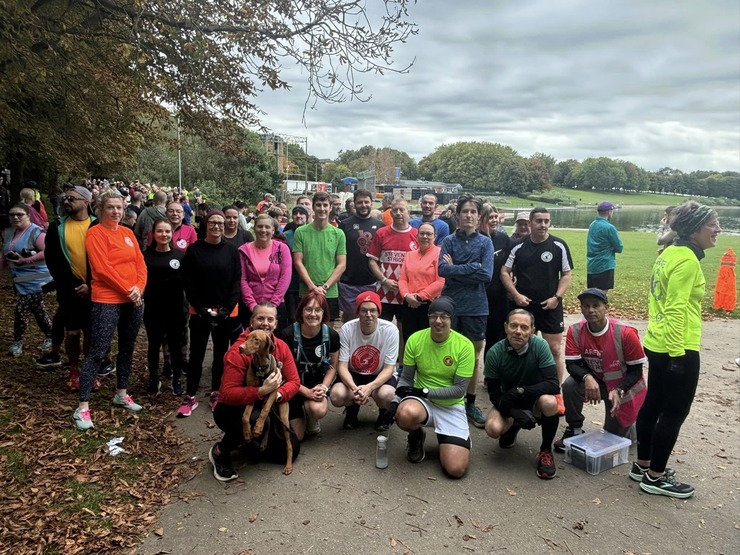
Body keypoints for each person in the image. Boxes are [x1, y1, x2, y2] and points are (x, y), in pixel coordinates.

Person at [634, 201, 721, 498]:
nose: (718, 229)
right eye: (713, 224)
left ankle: (641, 465)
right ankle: (655, 477)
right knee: (673, 412)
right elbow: (675, 309)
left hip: (657, 342)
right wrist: (677, 357)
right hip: (677, 346)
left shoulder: (668, 253)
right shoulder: (685, 260)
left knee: (653, 403)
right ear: (695, 229)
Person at [72, 189, 147, 430]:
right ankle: (82, 407)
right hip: (107, 299)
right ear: (101, 209)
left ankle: (121, 392)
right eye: (111, 207)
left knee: (127, 347)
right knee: (99, 350)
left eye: (120, 208)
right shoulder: (96, 234)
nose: (116, 211)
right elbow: (102, 269)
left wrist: (138, 289)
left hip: (133, 299)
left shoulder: (127, 233)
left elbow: (140, 263)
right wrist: (128, 289)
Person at [209, 303, 301, 482]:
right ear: (251, 322)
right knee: (255, 421)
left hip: (267, 404)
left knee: (291, 450)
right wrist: (261, 391)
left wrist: (277, 393)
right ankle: (221, 451)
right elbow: (226, 394)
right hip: (232, 409)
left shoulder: (280, 346)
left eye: (270, 319)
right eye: (260, 318)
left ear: (275, 324)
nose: (265, 323)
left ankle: (248, 443)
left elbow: (294, 382)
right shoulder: (238, 352)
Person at [383, 297, 474, 478]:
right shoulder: (416, 339)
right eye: (433, 316)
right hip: (422, 402)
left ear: (451, 319)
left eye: (444, 317)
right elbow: (406, 379)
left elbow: (459, 391)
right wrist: (394, 404)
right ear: (428, 317)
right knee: (404, 413)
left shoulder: (465, 346)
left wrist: (424, 391)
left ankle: (450, 439)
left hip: (450, 405)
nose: (438, 321)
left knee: (456, 469)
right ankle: (416, 436)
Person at [554, 288, 647, 452]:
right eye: (586, 306)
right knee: (570, 385)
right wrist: (587, 378)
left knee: (619, 441)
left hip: (622, 387)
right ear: (581, 308)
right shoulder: (575, 330)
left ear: (607, 308)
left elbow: (636, 371)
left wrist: (620, 390)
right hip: (597, 382)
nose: (590, 310)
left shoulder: (625, 333)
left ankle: (634, 422)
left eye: (596, 305)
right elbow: (572, 365)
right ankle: (574, 429)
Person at [483, 309, 560, 479]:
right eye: (514, 326)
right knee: (492, 428)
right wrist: (514, 413)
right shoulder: (495, 353)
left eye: (524, 327)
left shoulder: (540, 346)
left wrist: (521, 391)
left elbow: (553, 385)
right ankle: (513, 425)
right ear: (505, 327)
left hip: (534, 400)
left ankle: (546, 451)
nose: (518, 331)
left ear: (532, 331)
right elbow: (494, 395)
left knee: (550, 402)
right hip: (507, 402)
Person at [179, 209, 242, 417]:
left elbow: (236, 281)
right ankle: (190, 395)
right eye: (213, 223)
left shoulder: (232, 251)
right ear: (205, 225)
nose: (217, 227)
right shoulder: (194, 250)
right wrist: (201, 308)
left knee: (220, 355)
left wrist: (226, 309)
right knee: (196, 355)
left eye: (220, 223)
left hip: (225, 312)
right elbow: (189, 283)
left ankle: (216, 391)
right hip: (199, 312)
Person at [501, 207, 573, 388]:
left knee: (554, 349)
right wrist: (516, 295)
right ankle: (521, 387)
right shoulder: (518, 246)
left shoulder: (559, 245)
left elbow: (566, 274)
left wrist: (557, 297)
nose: (543, 225)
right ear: (531, 223)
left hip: (551, 304)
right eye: (539, 221)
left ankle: (555, 391)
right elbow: (504, 271)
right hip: (524, 306)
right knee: (521, 348)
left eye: (546, 221)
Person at [438, 195, 493, 429]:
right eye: (465, 211)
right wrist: (471, 267)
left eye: (473, 212)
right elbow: (442, 269)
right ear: (458, 215)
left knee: (472, 357)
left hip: (476, 306)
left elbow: (486, 275)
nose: (469, 215)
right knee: (446, 353)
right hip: (451, 305)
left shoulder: (486, 243)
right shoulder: (449, 241)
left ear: (478, 217)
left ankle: (469, 402)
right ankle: (448, 399)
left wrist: (456, 269)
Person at [41, 187, 96, 388]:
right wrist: (71, 284)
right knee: (72, 333)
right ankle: (74, 371)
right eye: (65, 198)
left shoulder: (98, 225)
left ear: (86, 201)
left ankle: (89, 371)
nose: (66, 201)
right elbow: (52, 259)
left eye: (71, 198)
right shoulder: (57, 227)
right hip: (69, 290)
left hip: (95, 289)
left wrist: (90, 285)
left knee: (91, 333)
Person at [330, 292, 398, 431]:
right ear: (357, 312)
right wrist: (356, 389)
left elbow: (389, 368)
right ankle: (351, 410)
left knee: (388, 395)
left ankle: (383, 414)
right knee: (337, 395)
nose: (368, 314)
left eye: (372, 310)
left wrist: (370, 388)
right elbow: (342, 366)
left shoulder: (390, 330)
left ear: (378, 312)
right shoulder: (347, 329)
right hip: (354, 373)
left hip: (379, 373)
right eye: (364, 310)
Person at [276, 292, 339, 440]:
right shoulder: (287, 335)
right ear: (301, 311)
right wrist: (305, 392)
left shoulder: (332, 335)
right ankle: (299, 414)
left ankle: (311, 416)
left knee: (318, 410)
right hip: (291, 386)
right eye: (308, 309)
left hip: (316, 385)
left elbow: (333, 366)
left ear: (324, 313)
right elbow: (283, 372)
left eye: (318, 310)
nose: (313, 314)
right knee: (297, 437)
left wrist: (323, 387)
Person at [1, 203, 53, 357]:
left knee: (21, 310)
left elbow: (48, 251)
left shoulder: (37, 232)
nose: (15, 217)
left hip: (40, 281)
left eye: (19, 214)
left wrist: (26, 260)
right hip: (22, 281)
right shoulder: (10, 233)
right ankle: (51, 335)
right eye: (12, 215)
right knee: (38, 310)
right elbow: (4, 254)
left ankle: (17, 342)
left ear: (28, 216)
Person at [143, 219, 186, 395]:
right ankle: (154, 379)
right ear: (153, 234)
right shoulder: (145, 256)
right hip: (153, 309)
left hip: (175, 308)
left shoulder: (180, 256)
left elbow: (186, 281)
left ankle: (176, 379)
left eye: (167, 231)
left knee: (176, 345)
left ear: (172, 234)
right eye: (160, 231)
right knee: (154, 345)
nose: (164, 235)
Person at [367, 197, 418, 343]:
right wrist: (384, 280)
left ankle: (402, 364)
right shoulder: (381, 233)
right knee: (382, 332)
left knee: (405, 333)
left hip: (406, 293)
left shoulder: (416, 234)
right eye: (395, 210)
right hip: (384, 292)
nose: (398, 213)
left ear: (408, 212)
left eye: (402, 209)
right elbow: (372, 261)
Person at [292, 192, 347, 320]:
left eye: (325, 205)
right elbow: (298, 262)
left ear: (330, 207)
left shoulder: (338, 234)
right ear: (313, 207)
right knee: (305, 327)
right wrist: (312, 287)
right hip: (306, 291)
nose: (322, 209)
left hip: (329, 292)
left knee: (328, 330)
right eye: (318, 205)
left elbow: (342, 264)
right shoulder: (301, 232)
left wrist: (324, 287)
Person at [239, 214, 292, 329]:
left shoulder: (282, 248)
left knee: (276, 344)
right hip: (250, 307)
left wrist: (272, 305)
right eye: (260, 226)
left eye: (267, 227)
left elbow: (285, 277)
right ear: (254, 228)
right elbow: (242, 279)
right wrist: (253, 306)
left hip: (276, 306)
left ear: (273, 230)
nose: (263, 230)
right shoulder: (244, 250)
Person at [338, 189, 384, 322]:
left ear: (371, 203)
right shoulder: (345, 224)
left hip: (372, 282)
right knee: (349, 320)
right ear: (355, 204)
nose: (363, 205)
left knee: (369, 320)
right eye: (360, 202)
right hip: (348, 282)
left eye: (366, 202)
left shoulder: (380, 226)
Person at [398, 222, 444, 343]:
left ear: (435, 237)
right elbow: (403, 279)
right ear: (417, 236)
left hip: (429, 305)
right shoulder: (409, 255)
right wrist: (406, 295)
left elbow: (440, 281)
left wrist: (419, 297)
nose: (425, 237)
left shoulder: (439, 254)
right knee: (409, 339)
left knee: (427, 341)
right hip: (408, 303)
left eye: (429, 234)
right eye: (422, 233)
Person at [479, 204, 514, 351]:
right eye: (489, 217)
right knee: (477, 337)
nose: (494, 221)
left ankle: (491, 372)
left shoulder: (503, 239)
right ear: (481, 219)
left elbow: (509, 265)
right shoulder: (475, 238)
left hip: (498, 295)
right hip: (478, 295)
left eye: (495, 217)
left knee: (495, 337)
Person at [586, 201, 623, 292]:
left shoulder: (592, 225)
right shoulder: (609, 227)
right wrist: (612, 248)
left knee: (592, 294)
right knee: (602, 296)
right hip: (605, 265)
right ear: (609, 211)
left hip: (592, 265)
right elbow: (619, 247)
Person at [283, 205, 309, 323]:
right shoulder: (286, 235)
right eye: (295, 213)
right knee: (292, 317)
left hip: (308, 282)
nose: (298, 216)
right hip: (291, 282)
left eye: (301, 213)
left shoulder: (311, 233)